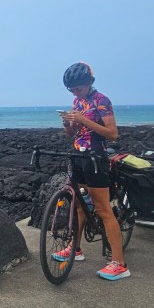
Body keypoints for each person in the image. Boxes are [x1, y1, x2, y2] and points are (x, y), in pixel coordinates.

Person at [55, 62, 129, 281]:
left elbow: (113, 134)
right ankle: (75, 249)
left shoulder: (101, 100)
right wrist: (68, 124)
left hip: (96, 158)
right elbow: (72, 134)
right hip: (79, 156)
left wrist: (83, 119)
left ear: (89, 83)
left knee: (103, 209)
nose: (75, 93)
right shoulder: (77, 102)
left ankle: (119, 264)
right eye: (71, 90)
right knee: (79, 205)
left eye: (78, 89)